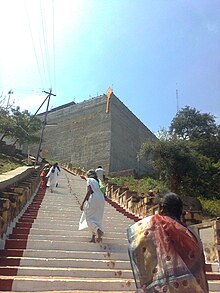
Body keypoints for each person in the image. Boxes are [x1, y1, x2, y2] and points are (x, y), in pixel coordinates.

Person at [127, 192, 208, 293]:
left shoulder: (153, 229)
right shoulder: (192, 235)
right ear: (181, 211)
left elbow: (137, 250)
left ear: (161, 209)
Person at [79, 169, 105, 243]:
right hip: (101, 200)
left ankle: (98, 231)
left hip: (93, 199)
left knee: (88, 218)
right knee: (97, 218)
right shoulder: (97, 181)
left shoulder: (89, 180)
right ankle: (94, 237)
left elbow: (89, 191)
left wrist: (83, 203)